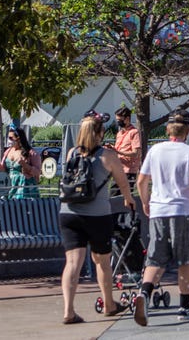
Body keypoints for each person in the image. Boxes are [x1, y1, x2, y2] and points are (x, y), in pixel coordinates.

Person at [133, 108, 189, 325]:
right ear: (188, 129)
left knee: (156, 258)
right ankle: (184, 307)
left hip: (158, 211)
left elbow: (141, 181)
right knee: (185, 260)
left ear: (168, 129)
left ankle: (145, 294)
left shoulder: (155, 151)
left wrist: (146, 202)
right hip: (182, 211)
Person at [58, 113, 136, 325]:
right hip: (97, 215)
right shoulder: (108, 156)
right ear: (100, 133)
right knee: (102, 261)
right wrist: (129, 200)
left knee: (73, 262)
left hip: (68, 212)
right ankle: (109, 305)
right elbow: (122, 182)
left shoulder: (71, 153)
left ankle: (68, 310)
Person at [0, 126, 40, 199]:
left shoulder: (31, 153)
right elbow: (3, 169)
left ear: (18, 138)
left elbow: (37, 172)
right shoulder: (8, 151)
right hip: (9, 184)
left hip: (23, 187)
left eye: (11, 138)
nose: (9, 140)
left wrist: (25, 165)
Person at [113, 106, 142, 187]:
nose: (118, 122)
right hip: (118, 168)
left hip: (129, 170)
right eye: (117, 120)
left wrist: (117, 151)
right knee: (114, 196)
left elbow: (136, 153)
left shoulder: (134, 132)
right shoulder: (119, 133)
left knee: (124, 196)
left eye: (120, 120)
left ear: (127, 118)